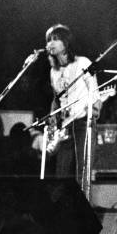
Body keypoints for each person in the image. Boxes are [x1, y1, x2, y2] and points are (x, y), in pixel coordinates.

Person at [46, 24, 101, 184]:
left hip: (83, 122)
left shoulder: (83, 63)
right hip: (64, 127)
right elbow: (57, 99)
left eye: (55, 39)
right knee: (61, 173)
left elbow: (95, 93)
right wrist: (53, 117)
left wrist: (95, 109)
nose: (50, 43)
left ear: (66, 43)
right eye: (48, 40)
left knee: (82, 172)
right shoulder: (53, 71)